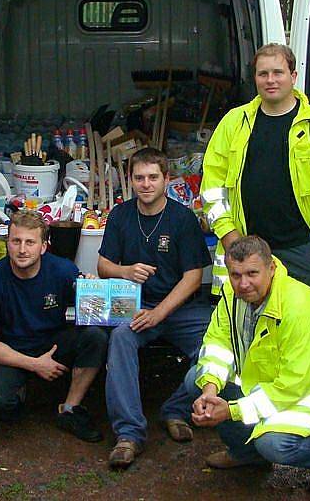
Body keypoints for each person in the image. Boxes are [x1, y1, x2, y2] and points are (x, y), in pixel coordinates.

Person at [188, 235, 310, 493]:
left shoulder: (300, 307)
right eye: (235, 274)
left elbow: (293, 385)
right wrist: (210, 389)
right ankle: (245, 454)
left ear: (271, 268)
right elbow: (218, 343)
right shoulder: (231, 294)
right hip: (271, 378)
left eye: (252, 273)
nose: (243, 283)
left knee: (273, 443)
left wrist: (232, 410)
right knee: (196, 380)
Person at [201, 43, 310, 299]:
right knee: (245, 334)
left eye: (278, 73)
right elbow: (212, 188)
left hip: (303, 252)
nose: (270, 80)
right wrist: (229, 237)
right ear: (255, 78)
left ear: (293, 76)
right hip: (244, 250)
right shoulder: (234, 122)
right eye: (263, 74)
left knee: (302, 336)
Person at [98, 147, 213, 469]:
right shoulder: (120, 215)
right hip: (135, 305)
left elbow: (193, 277)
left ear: (166, 179)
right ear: (130, 180)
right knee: (120, 339)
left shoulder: (182, 218)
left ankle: (175, 410)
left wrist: (160, 312)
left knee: (214, 344)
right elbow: (103, 264)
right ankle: (129, 434)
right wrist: (125, 271)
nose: (145, 184)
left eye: (153, 177)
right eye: (139, 178)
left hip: (179, 308)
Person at [0, 211, 108, 441]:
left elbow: (94, 312)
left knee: (95, 337)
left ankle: (70, 409)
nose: (22, 249)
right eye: (16, 241)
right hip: (10, 351)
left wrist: (93, 290)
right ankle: (28, 393)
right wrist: (35, 365)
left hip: (52, 344)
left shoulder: (62, 270)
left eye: (30, 242)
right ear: (7, 243)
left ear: (43, 246)